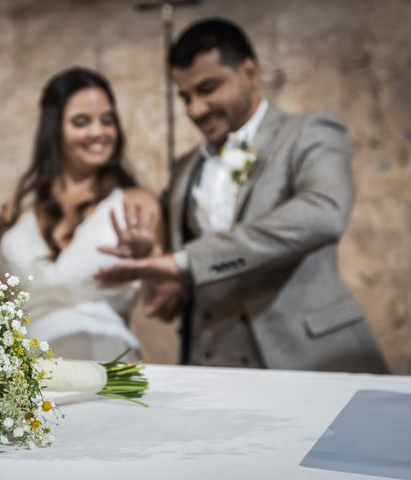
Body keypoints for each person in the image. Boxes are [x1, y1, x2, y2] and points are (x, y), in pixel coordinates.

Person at [96, 18, 388, 373]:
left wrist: (186, 261)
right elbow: (175, 297)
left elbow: (323, 213)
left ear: (250, 72)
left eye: (208, 89)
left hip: (309, 358)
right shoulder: (184, 168)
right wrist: (156, 265)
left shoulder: (309, 133)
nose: (195, 109)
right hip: (209, 365)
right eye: (185, 96)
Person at [0, 67, 162, 362]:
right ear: (54, 129)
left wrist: (148, 261)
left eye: (107, 120)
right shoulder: (19, 208)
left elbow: (164, 302)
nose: (98, 132)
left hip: (109, 362)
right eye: (81, 122)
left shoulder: (135, 204)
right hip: (29, 374)